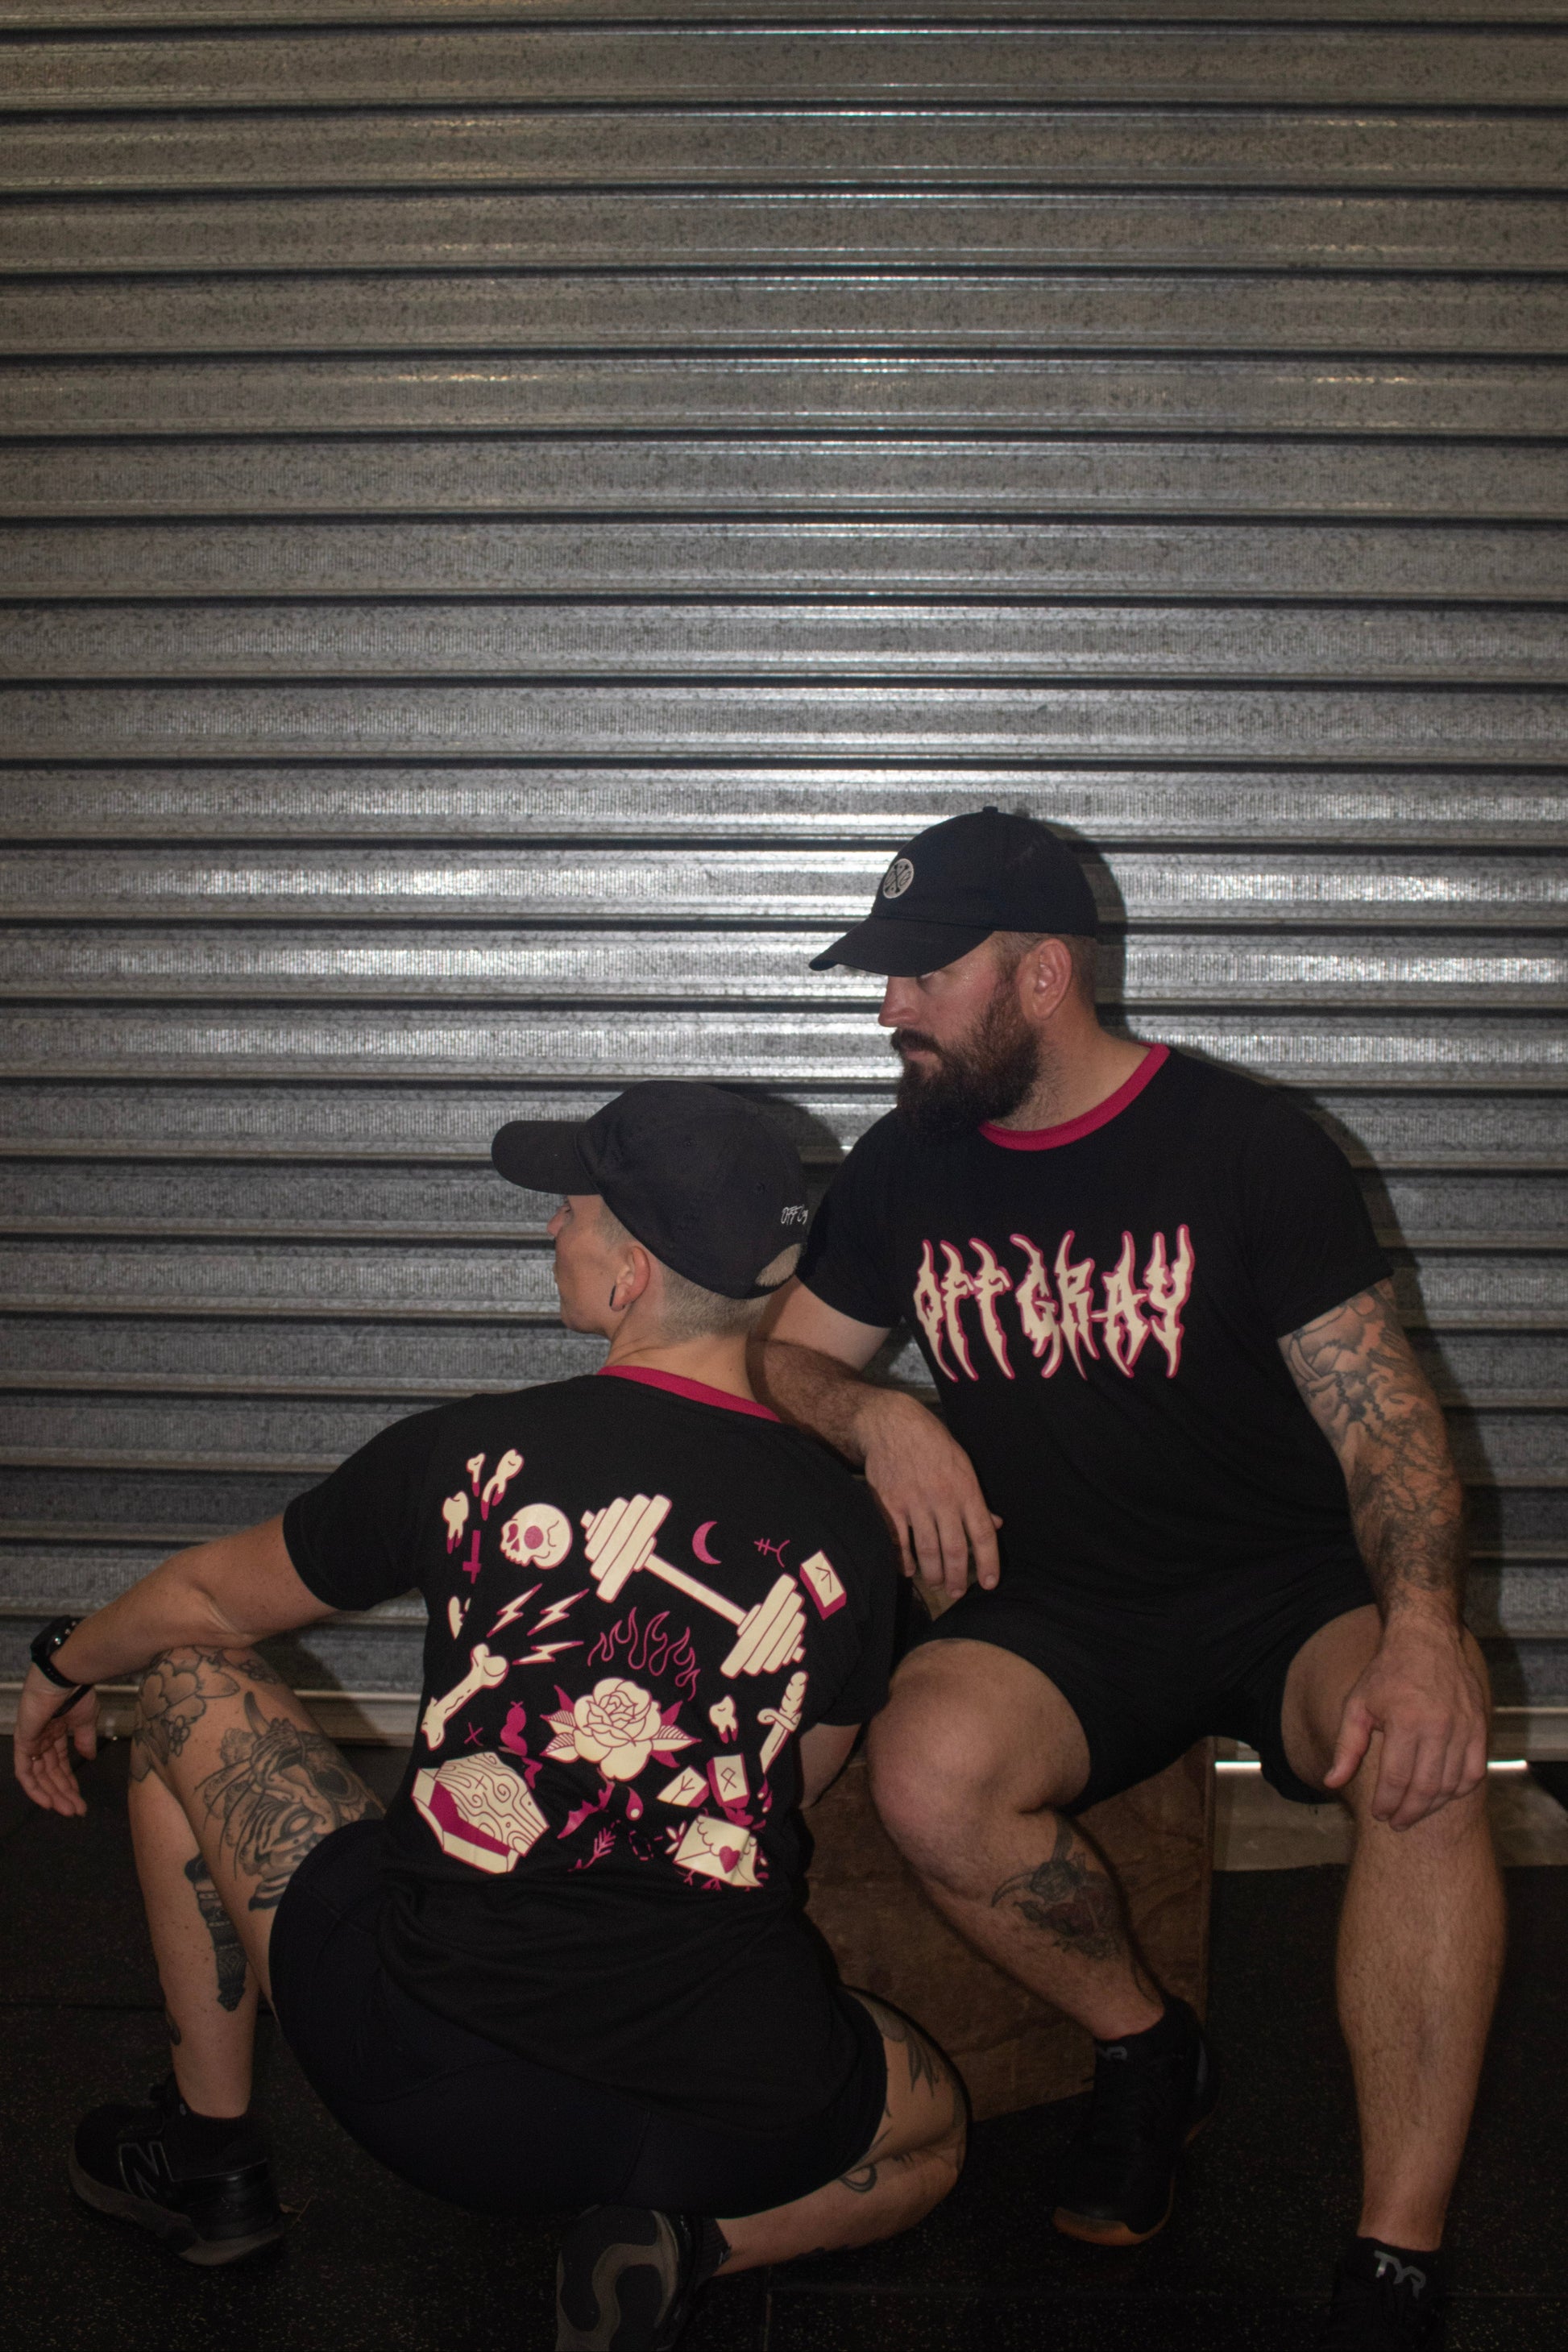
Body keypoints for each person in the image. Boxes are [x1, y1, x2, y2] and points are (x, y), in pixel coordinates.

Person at [15, 1082, 963, 2352]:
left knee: (187, 1678)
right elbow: (794, 1783)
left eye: (572, 1211)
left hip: (434, 2085)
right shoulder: (852, 1531)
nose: (551, 1230)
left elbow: (202, 1598)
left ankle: (207, 2161)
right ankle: (682, 2244)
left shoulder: (472, 1454)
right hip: (728, 2105)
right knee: (931, 2132)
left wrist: (62, 1662)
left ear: (630, 1274)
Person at [753, 807, 1501, 2351]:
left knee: (1421, 1769)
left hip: (1282, 1587)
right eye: (886, 975)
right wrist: (878, 1415)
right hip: (1061, 1605)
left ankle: (1394, 2253)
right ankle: (1148, 2047)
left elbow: (1382, 1420)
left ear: (1041, 975)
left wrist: (1424, 1629)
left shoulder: (1245, 1146)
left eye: (922, 974)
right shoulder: (906, 1165)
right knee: (928, 1774)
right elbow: (782, 1363)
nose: (888, 1006)